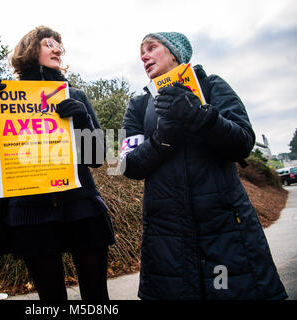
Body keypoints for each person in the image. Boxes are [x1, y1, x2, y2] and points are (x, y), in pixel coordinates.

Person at [120, 32, 287, 300]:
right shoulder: (138, 105)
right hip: (166, 236)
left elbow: (243, 142)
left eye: (152, 48)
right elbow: (129, 165)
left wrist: (202, 118)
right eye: (141, 52)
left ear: (175, 53)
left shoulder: (212, 86)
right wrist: (163, 138)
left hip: (226, 228)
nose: (144, 56)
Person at [0, 26, 115, 301]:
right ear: (30, 49)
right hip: (31, 214)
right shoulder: (3, 99)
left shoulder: (75, 96)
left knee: (97, 297)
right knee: (52, 300)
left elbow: (97, 158)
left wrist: (82, 121)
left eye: (59, 46)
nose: (58, 50)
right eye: (50, 44)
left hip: (81, 206)